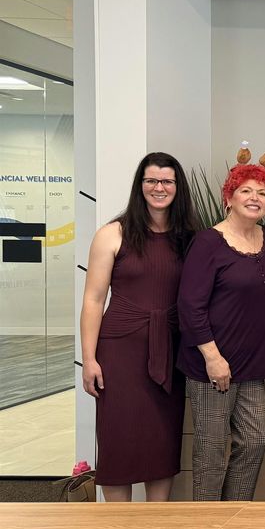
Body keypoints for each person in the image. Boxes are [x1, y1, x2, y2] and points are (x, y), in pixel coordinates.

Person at [80, 152, 199, 502]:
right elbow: (93, 300)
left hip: (170, 351)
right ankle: (120, 526)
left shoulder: (190, 238)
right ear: (140, 185)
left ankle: (155, 523)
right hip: (119, 352)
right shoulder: (112, 234)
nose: (159, 188)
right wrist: (89, 359)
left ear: (177, 187)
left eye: (167, 181)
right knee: (118, 440)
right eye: (151, 180)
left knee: (162, 442)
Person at [178, 162, 265, 501]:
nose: (255, 198)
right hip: (214, 364)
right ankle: (206, 523)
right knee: (211, 451)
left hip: (251, 364)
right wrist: (212, 357)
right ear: (229, 197)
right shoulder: (208, 242)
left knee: (255, 441)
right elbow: (190, 305)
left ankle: (234, 515)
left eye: (262, 193)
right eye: (246, 191)